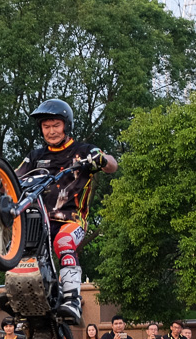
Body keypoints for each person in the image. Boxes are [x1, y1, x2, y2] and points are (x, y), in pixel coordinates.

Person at [11, 99, 117, 323]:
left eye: (55, 125)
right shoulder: (35, 156)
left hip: (72, 220)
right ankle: (21, 301)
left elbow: (111, 165)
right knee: (20, 252)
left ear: (66, 125)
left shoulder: (82, 150)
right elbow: (14, 178)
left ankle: (73, 300)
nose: (50, 131)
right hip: (38, 221)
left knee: (63, 243)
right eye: (46, 126)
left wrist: (101, 159)